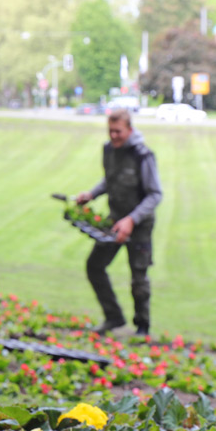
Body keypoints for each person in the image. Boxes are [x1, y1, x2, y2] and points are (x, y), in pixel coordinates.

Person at [74, 108, 162, 336]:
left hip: (139, 225)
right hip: (114, 221)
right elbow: (111, 179)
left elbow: (155, 194)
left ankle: (142, 327)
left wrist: (131, 220)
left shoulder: (143, 155)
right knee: (94, 266)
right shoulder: (109, 150)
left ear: (130, 130)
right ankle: (113, 317)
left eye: (118, 132)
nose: (114, 136)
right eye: (110, 131)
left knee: (138, 277)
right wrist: (91, 194)